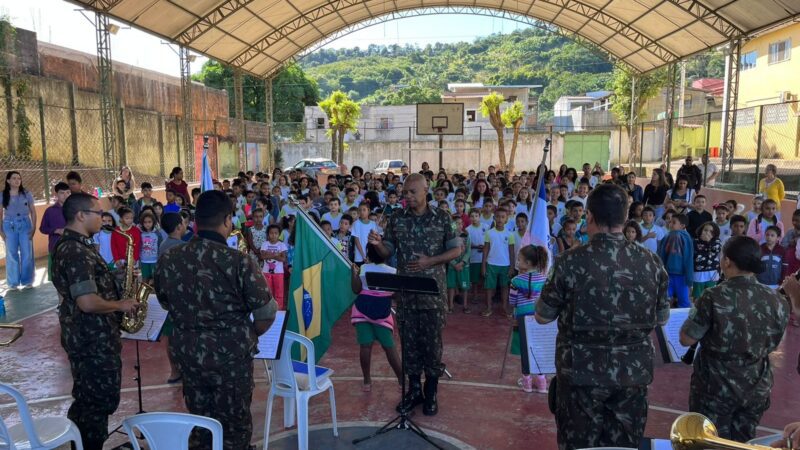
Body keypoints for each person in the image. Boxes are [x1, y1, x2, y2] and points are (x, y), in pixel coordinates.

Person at [536, 183, 670, 450]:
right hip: (632, 375)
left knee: (578, 445)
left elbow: (542, 315)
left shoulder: (569, 262)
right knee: (623, 446)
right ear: (625, 217)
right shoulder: (651, 262)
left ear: (590, 216)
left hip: (580, 376)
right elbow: (662, 318)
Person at [153, 190, 278, 450]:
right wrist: (247, 335)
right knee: (233, 427)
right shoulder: (238, 261)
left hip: (188, 354)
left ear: (195, 221)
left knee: (201, 423)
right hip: (231, 359)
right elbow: (266, 314)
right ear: (227, 220)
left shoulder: (169, 259)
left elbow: (164, 301)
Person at [367, 173, 461, 417]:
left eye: (412, 192)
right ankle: (414, 390)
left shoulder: (442, 217)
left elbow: (455, 250)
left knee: (432, 346)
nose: (407, 196)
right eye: (404, 192)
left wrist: (431, 260)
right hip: (406, 295)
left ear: (425, 190)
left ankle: (431, 393)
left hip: (432, 295)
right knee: (409, 346)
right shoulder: (397, 218)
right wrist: (378, 244)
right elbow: (388, 250)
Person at [52, 193, 140, 450]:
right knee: (94, 405)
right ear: (81, 215)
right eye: (98, 213)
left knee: (90, 402)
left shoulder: (77, 246)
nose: (103, 219)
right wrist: (120, 305)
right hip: (92, 341)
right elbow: (87, 302)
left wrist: (118, 275)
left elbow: (90, 285)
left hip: (91, 338)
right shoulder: (76, 251)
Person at [680, 235, 788, 442]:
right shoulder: (777, 299)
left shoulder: (713, 296)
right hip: (756, 385)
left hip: (716, 387)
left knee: (710, 442)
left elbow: (686, 339)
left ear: (727, 261)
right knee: (744, 442)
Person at [350, 244, 403, 392]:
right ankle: (401, 380)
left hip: (361, 310)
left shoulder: (364, 269)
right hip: (382, 313)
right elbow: (397, 295)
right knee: (389, 347)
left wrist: (353, 274)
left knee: (365, 346)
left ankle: (367, 380)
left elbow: (356, 289)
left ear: (369, 254)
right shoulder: (393, 271)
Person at [510, 245, 548, 394]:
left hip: (522, 318)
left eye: (519, 259)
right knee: (538, 349)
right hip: (539, 317)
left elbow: (512, 301)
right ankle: (542, 382)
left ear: (527, 263)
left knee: (525, 349)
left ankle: (527, 383)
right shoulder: (545, 279)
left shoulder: (516, 280)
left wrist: (512, 313)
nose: (517, 262)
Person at [1, 171, 37, 290]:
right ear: (8, 181)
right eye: (14, 178)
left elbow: (33, 211)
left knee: (27, 253)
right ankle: (13, 283)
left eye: (19, 178)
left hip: (25, 225)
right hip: (9, 226)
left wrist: (33, 228)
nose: (17, 180)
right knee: (11, 254)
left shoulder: (27, 194)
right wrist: (1, 231)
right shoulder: (2, 195)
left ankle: (27, 281)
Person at [482, 207, 515, 318]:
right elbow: (485, 250)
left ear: (506, 219)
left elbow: (511, 252)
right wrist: (483, 266)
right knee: (489, 287)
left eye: (503, 217)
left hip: (505, 265)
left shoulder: (510, 234)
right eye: (498, 216)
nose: (500, 219)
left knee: (504, 287)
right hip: (491, 264)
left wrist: (511, 267)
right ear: (494, 217)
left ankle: (504, 307)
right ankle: (488, 307)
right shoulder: (489, 233)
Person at [658, 214, 694, 308]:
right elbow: (661, 253)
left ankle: (673, 320)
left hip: (680, 275)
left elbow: (688, 258)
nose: (670, 224)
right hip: (670, 274)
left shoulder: (684, 237)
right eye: (670, 222)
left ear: (682, 226)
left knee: (668, 300)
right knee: (681, 301)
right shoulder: (667, 235)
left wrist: (689, 278)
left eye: (674, 222)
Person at [40, 181, 71, 280]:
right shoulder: (50, 211)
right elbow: (43, 228)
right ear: (56, 194)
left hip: (72, 247)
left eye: (68, 192)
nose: (65, 195)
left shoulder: (75, 209)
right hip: (55, 248)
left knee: (72, 277)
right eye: (62, 193)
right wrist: (55, 230)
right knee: (58, 279)